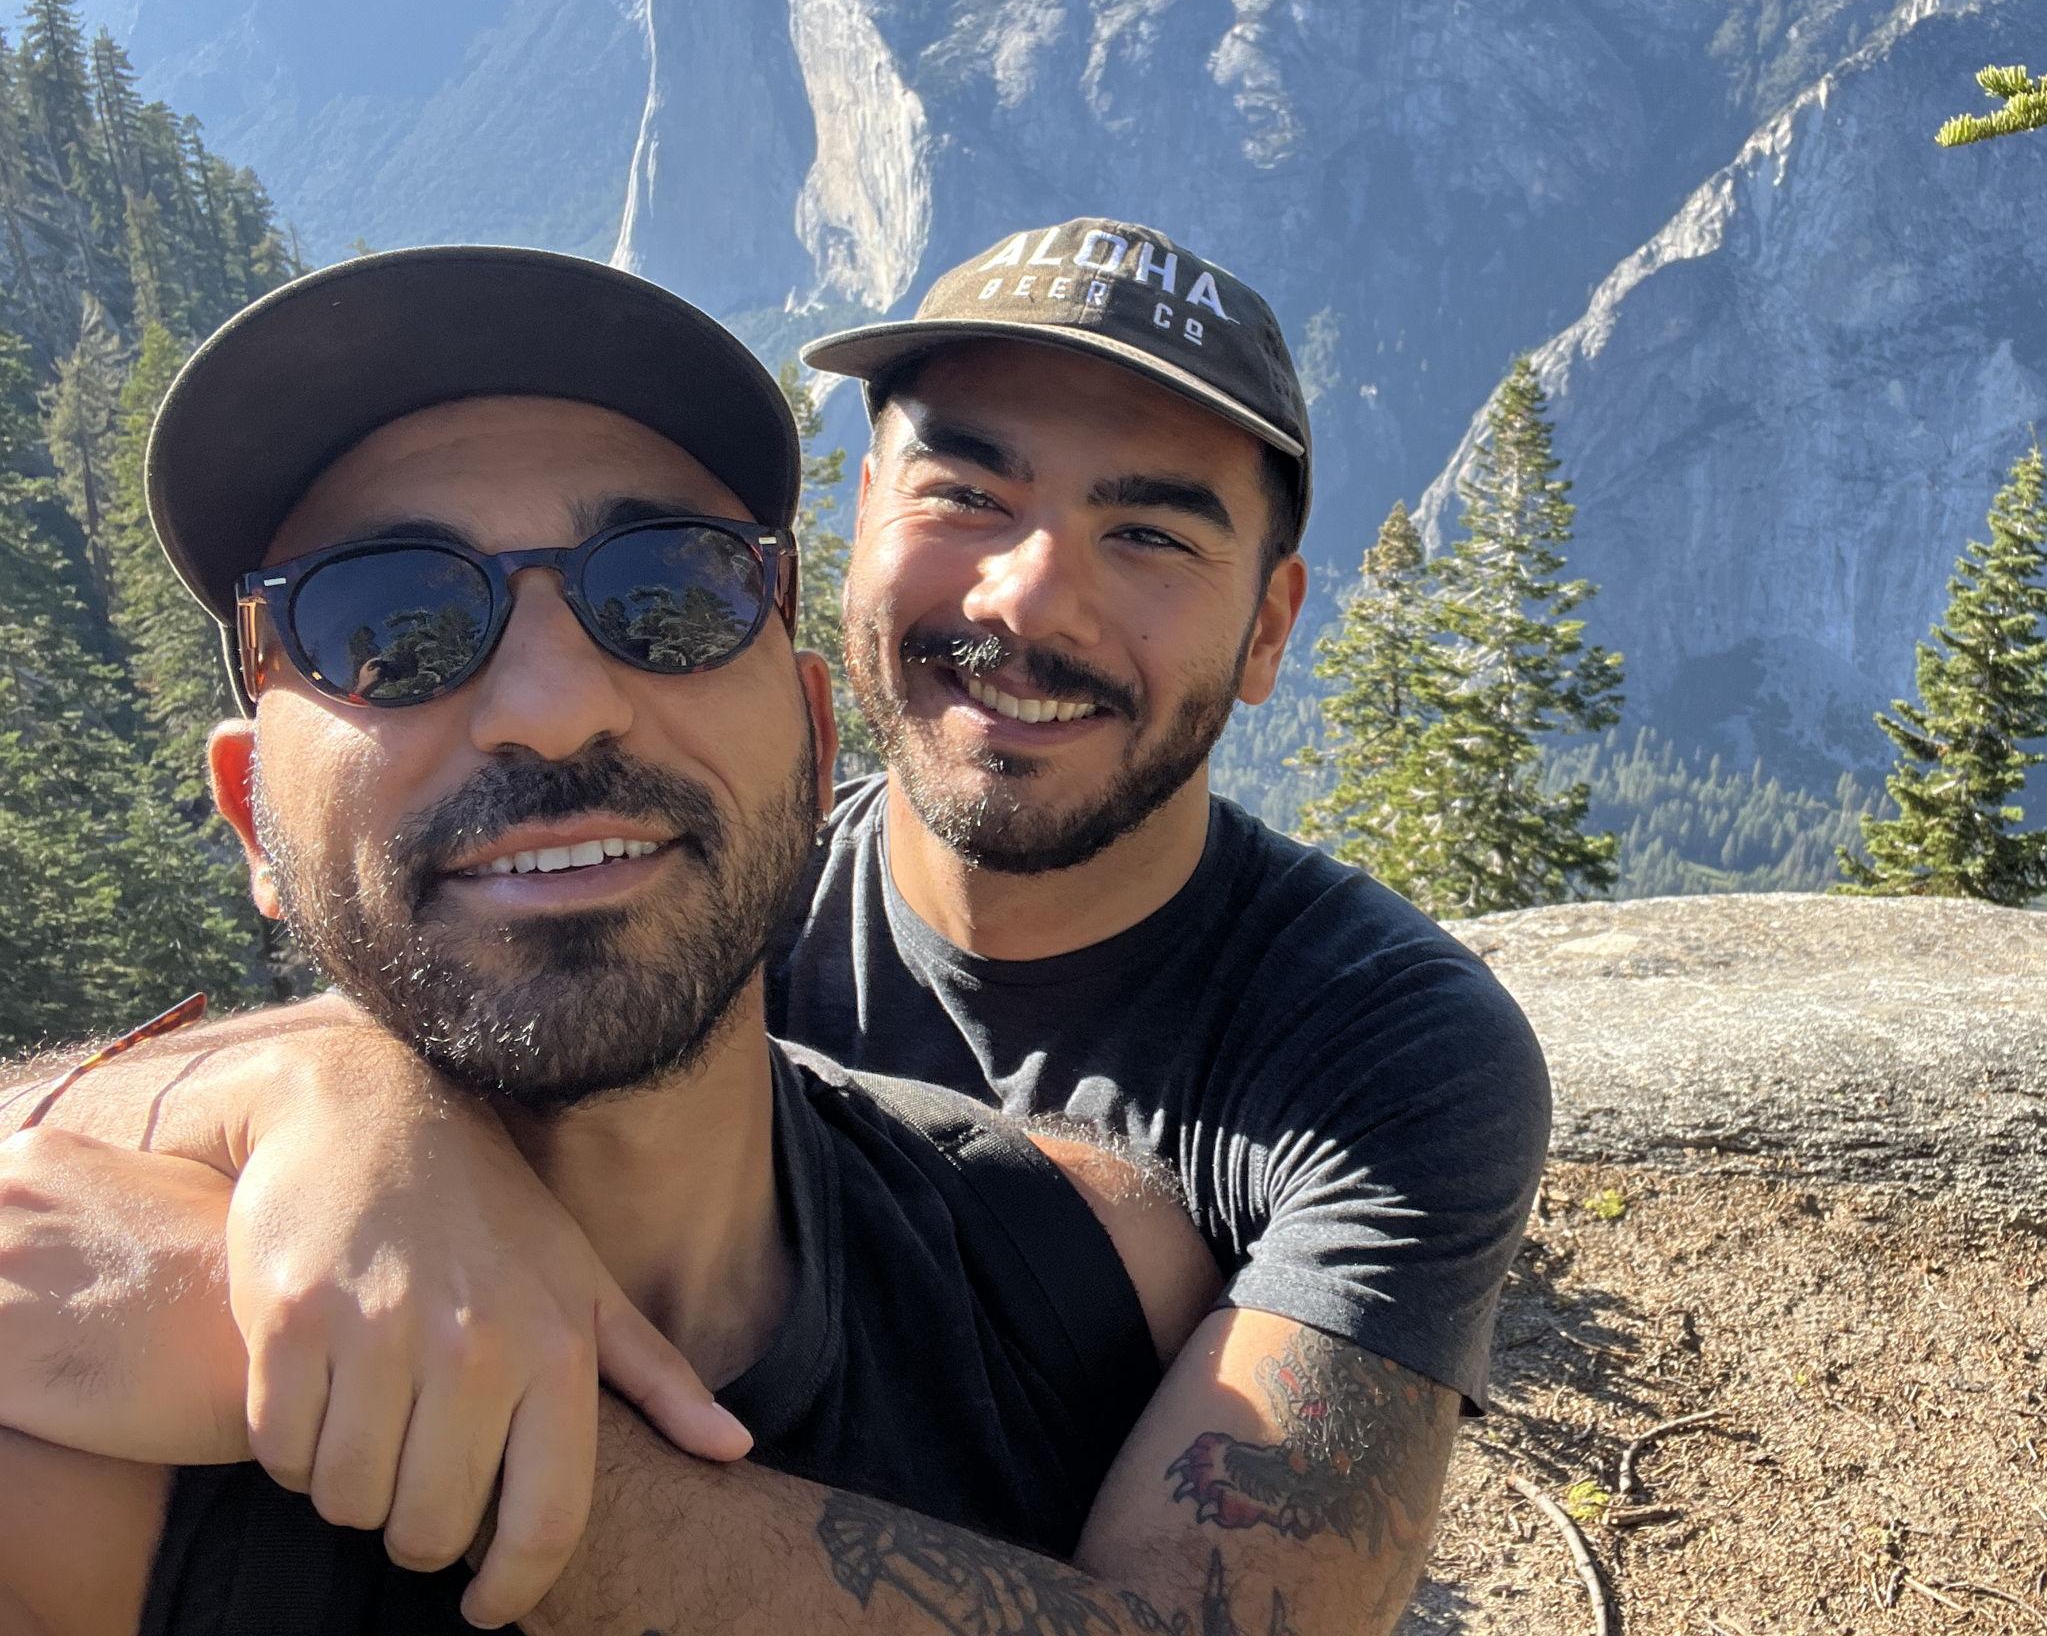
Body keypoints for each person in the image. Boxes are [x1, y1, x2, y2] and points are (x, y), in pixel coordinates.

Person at [3, 221, 1551, 1636]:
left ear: (806, 744)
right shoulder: (71, 1443)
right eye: (385, 623)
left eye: (665, 595)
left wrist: (489, 1447)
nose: (554, 706)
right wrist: (318, 1091)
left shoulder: (1145, 1228)